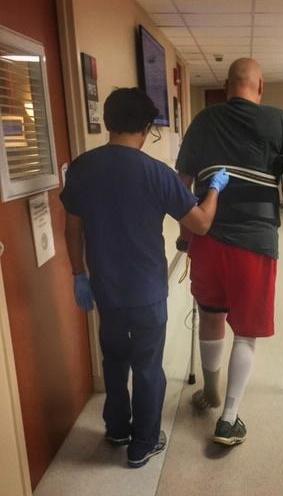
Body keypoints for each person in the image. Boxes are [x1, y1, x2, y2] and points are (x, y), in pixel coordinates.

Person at [60, 87, 229, 468]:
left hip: (105, 288)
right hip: (147, 291)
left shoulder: (82, 167)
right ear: (147, 127)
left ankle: (117, 428)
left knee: (115, 361)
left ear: (107, 121)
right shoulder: (157, 173)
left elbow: (73, 229)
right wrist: (215, 190)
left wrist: (78, 273)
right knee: (148, 366)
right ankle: (143, 444)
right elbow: (200, 224)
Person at [176, 58, 283, 446]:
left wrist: (187, 233)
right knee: (246, 331)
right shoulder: (281, 121)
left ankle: (210, 390)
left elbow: (182, 182)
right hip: (256, 241)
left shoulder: (203, 121)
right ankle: (229, 418)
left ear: (226, 84)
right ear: (261, 86)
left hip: (208, 237)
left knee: (211, 314)